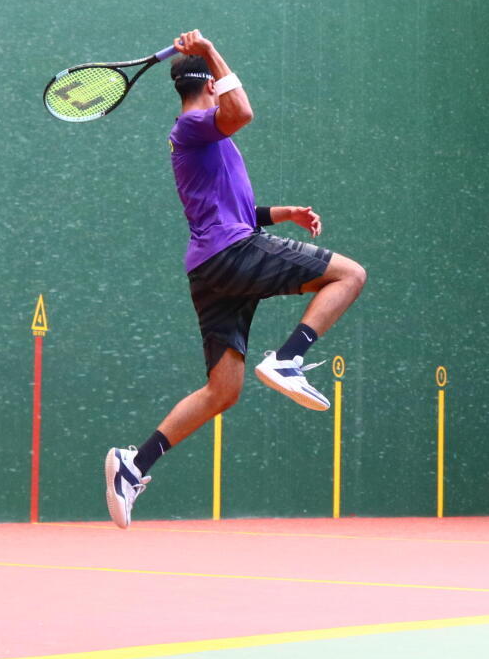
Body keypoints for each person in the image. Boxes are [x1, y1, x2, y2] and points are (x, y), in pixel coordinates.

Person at [104, 29, 368, 529]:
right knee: (349, 275)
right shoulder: (195, 126)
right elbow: (242, 111)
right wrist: (209, 51)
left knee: (222, 391)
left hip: (211, 269)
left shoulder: (200, 137)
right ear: (208, 85)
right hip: (230, 255)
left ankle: (133, 465)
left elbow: (234, 210)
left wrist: (280, 212)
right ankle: (289, 358)